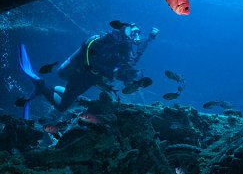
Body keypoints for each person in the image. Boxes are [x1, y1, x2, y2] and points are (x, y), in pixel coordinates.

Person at [18, 20, 159, 115]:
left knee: (71, 98)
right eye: (132, 32)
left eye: (137, 34)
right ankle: (41, 86)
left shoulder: (124, 46)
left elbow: (134, 58)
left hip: (92, 78)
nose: (135, 37)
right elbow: (90, 61)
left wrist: (149, 39)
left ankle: (50, 88)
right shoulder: (107, 41)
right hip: (82, 75)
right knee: (62, 107)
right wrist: (112, 72)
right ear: (124, 30)